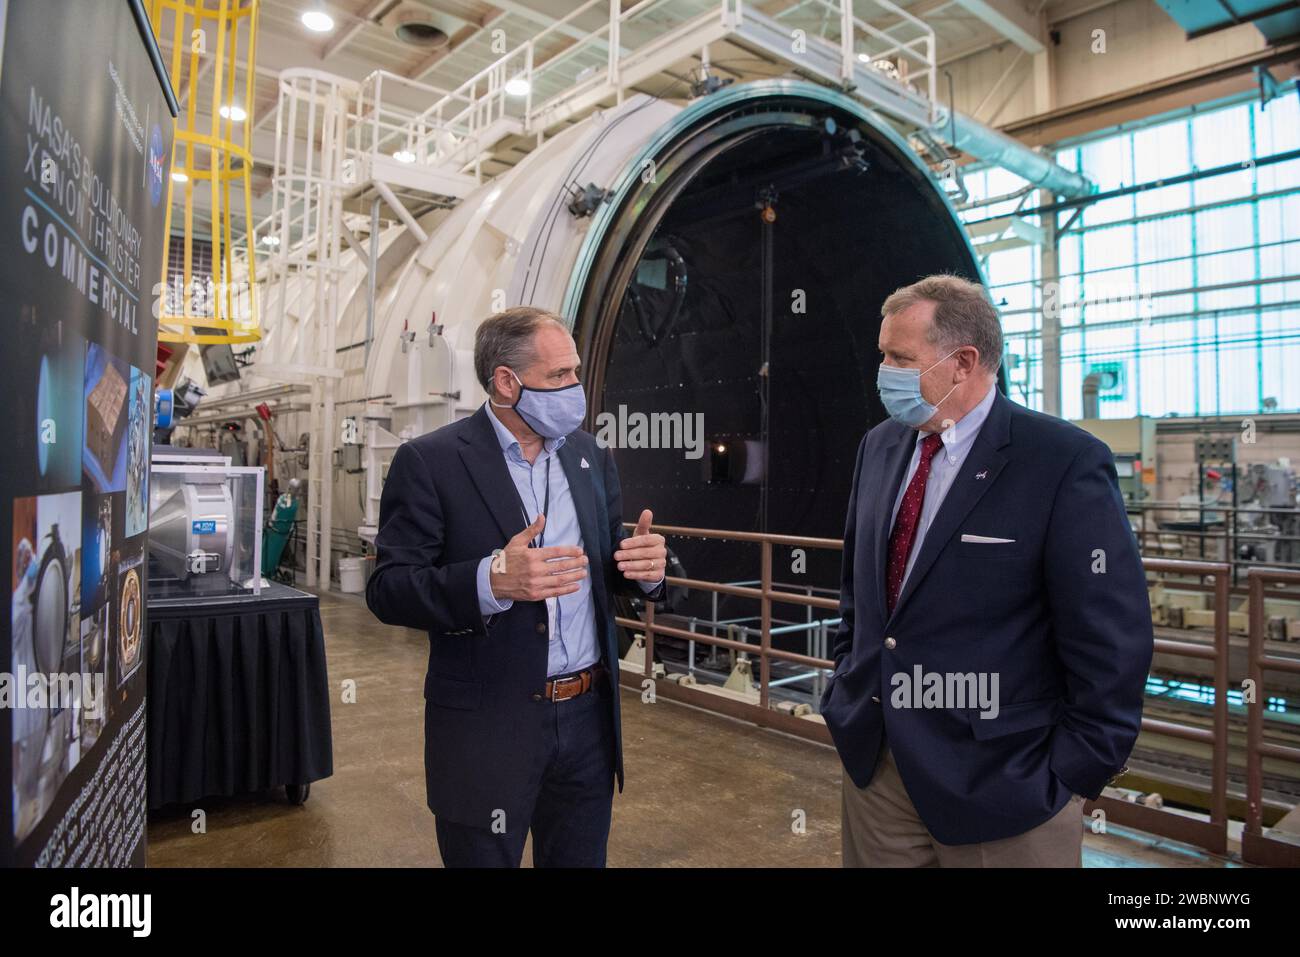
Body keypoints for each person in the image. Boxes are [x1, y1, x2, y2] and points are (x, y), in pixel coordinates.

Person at [821, 274, 1153, 867]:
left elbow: (1111, 638)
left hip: (1006, 786)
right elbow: (858, 592)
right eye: (883, 356)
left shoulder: (1060, 461)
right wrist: (846, 684)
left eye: (901, 358)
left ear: (963, 362)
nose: (885, 372)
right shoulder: (880, 446)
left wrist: (1069, 772)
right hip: (878, 769)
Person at [366, 306, 668, 867]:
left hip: (586, 721)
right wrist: (491, 580)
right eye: (559, 377)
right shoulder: (430, 462)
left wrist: (648, 572)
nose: (575, 388)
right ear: (506, 382)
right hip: (487, 730)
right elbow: (389, 588)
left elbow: (606, 566)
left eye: (575, 372)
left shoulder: (589, 456)